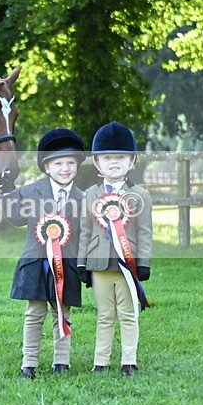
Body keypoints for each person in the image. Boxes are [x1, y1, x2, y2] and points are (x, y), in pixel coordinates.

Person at [0, 128, 86, 379]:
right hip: (36, 262)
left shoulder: (83, 198)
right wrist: (6, 193)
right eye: (58, 163)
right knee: (34, 313)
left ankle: (62, 361)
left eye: (70, 163)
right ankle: (29, 363)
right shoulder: (29, 192)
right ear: (46, 167)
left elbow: (84, 234)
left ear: (77, 166)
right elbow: (15, 218)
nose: (65, 168)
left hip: (66, 263)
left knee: (62, 312)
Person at [77, 121, 152, 376]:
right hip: (98, 264)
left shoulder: (140, 194)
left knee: (128, 314)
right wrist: (81, 264)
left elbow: (144, 232)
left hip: (127, 265)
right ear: (97, 164)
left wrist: (143, 263)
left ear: (132, 161)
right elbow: (85, 231)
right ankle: (101, 361)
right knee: (105, 315)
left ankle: (128, 361)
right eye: (107, 158)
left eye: (120, 157)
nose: (114, 163)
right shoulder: (89, 194)